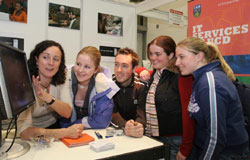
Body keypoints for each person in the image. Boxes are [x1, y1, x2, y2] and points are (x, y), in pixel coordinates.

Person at [175, 37, 249, 159]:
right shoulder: (201, 79)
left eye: (182, 57)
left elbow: (216, 136)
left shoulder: (210, 83)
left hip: (226, 153)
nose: (177, 62)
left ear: (199, 56)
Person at [136, 36, 195, 160]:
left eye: (158, 54)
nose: (153, 58)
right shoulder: (156, 75)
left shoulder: (181, 77)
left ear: (170, 55)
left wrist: (185, 148)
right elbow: (139, 71)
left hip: (175, 142)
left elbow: (188, 114)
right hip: (155, 138)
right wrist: (141, 70)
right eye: (151, 54)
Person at [17, 40, 83, 140]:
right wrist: (64, 132)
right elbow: (24, 132)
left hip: (55, 127)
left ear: (60, 63)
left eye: (56, 59)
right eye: (45, 57)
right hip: (34, 133)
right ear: (36, 59)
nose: (51, 63)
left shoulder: (61, 79)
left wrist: (47, 97)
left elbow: (67, 112)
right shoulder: (24, 83)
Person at [60, 46, 119, 129]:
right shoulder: (63, 80)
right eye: (78, 64)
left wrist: (72, 126)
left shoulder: (103, 86)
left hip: (91, 135)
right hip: (61, 134)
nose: (80, 70)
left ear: (96, 69)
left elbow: (101, 121)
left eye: (87, 67)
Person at [112, 47, 146, 138]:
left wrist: (136, 127)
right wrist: (125, 125)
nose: (118, 70)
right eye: (116, 64)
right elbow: (112, 112)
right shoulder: (109, 84)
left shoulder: (141, 86)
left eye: (124, 66)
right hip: (115, 132)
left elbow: (142, 114)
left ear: (134, 68)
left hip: (135, 133)